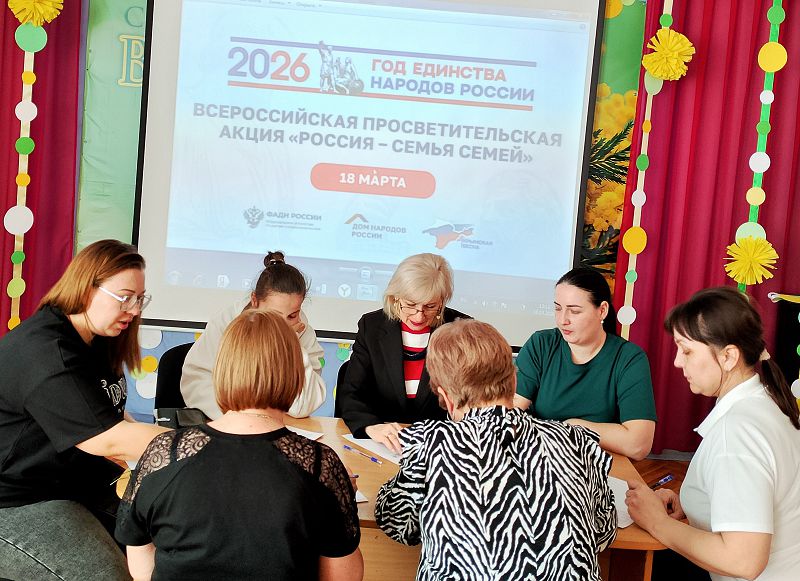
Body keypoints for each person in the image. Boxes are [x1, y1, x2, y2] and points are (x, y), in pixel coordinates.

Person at [116, 309, 363, 580]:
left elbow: (138, 555)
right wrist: (339, 494)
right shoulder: (321, 465)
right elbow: (343, 575)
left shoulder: (164, 452)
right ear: (296, 375)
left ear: (221, 370)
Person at [375, 319, 617, 580]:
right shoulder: (576, 441)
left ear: (445, 398)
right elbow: (603, 532)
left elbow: (396, 524)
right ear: (514, 380)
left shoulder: (430, 442)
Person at [0, 239, 167, 580]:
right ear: (86, 287)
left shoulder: (95, 340)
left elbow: (110, 417)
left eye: (140, 299)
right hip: (16, 502)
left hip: (72, 487)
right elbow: (107, 438)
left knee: (169, 546)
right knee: (110, 576)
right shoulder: (47, 352)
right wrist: (205, 443)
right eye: (125, 297)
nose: (135, 310)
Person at [625, 287, 800, 581]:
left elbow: (743, 561)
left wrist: (657, 523)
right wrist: (696, 505)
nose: (677, 361)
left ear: (728, 356)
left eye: (687, 350)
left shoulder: (738, 432)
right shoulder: (766, 400)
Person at [513, 266, 656, 460]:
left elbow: (638, 445)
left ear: (602, 310)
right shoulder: (541, 344)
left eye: (574, 311)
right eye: (557, 308)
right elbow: (512, 409)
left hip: (598, 464)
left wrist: (573, 426)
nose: (562, 320)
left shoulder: (629, 358)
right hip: (539, 459)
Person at [337, 253, 468, 453]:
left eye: (430, 306)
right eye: (411, 304)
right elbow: (352, 393)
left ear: (442, 301)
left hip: (439, 447)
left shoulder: (462, 330)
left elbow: (472, 400)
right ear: (395, 297)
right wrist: (371, 427)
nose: (419, 315)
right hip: (382, 445)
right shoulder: (371, 327)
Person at [181, 251, 325, 419]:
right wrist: (241, 420)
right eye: (275, 315)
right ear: (255, 301)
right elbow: (196, 383)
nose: (283, 325)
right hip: (227, 422)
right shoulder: (225, 323)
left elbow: (303, 407)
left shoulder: (303, 334)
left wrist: (291, 346)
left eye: (292, 315)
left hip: (275, 426)